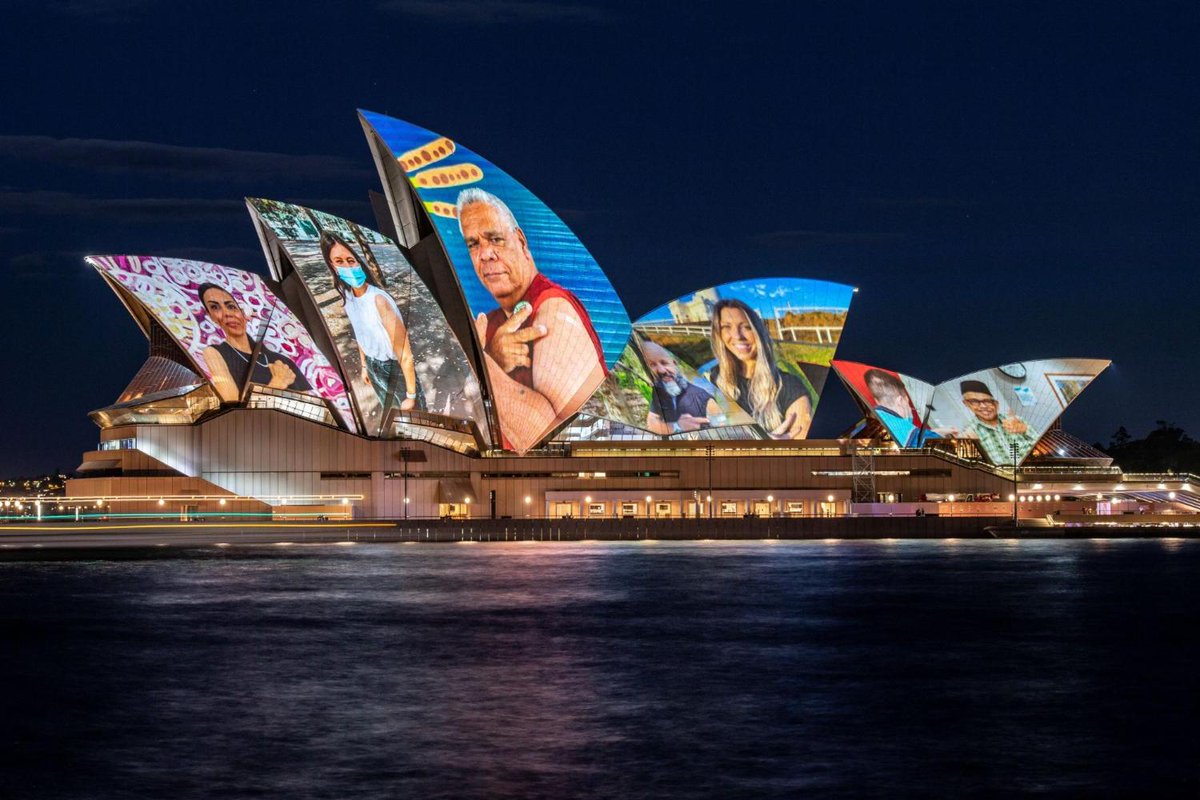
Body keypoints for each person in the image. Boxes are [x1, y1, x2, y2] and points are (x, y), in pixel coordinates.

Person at [457, 188, 605, 452]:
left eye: (495, 239)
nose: (485, 254)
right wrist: (491, 357)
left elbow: (561, 444)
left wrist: (483, 367)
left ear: (522, 242)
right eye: (473, 244)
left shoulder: (553, 309)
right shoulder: (488, 323)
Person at [320, 232, 418, 415]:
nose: (348, 266)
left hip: (394, 369)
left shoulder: (379, 300)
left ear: (359, 262)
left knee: (415, 420)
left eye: (351, 260)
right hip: (374, 368)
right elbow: (361, 335)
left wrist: (411, 396)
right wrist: (365, 366)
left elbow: (405, 355)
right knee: (392, 416)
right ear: (333, 267)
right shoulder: (348, 298)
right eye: (339, 261)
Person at [708, 298, 811, 439]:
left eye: (747, 327)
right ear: (718, 334)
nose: (737, 336)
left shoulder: (790, 386)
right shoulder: (713, 380)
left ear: (759, 332)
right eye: (726, 327)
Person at [198, 282, 311, 403]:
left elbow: (309, 406)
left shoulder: (282, 361)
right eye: (215, 307)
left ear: (243, 313)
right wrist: (276, 384)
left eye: (231, 306)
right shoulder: (215, 353)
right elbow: (234, 407)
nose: (227, 313)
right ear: (211, 316)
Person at [640, 340, 723, 435]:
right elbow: (651, 421)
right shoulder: (660, 391)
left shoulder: (702, 397)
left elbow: (723, 431)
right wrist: (677, 426)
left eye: (664, 363)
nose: (661, 370)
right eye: (652, 365)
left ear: (674, 364)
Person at [955, 379, 1037, 464]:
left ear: (996, 404)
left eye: (987, 401)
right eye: (974, 401)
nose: (983, 406)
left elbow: (1043, 445)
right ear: (966, 404)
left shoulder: (1017, 420)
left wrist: (1025, 429)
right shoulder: (968, 434)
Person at [863, 368, 923, 447]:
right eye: (907, 402)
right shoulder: (915, 436)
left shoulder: (867, 426)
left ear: (876, 400)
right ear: (900, 401)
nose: (910, 408)